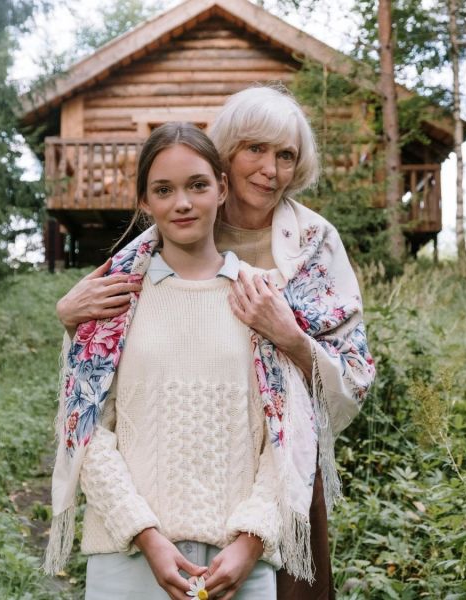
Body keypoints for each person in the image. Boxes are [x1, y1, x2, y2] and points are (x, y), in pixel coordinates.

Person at [54, 86, 377, 599]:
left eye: (285, 155)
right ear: (225, 159)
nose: (270, 169)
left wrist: (289, 336)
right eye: (255, 149)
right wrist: (68, 318)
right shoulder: (172, 230)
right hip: (164, 472)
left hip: (278, 464)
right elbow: (103, 358)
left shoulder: (313, 244)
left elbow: (354, 374)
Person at [45, 122, 292, 600]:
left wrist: (251, 539)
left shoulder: (262, 296)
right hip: (129, 559)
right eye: (163, 190)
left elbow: (287, 434)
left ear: (222, 188)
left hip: (237, 564)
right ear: (145, 201)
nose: (182, 203)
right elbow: (86, 428)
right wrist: (145, 534)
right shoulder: (112, 299)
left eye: (197, 185)